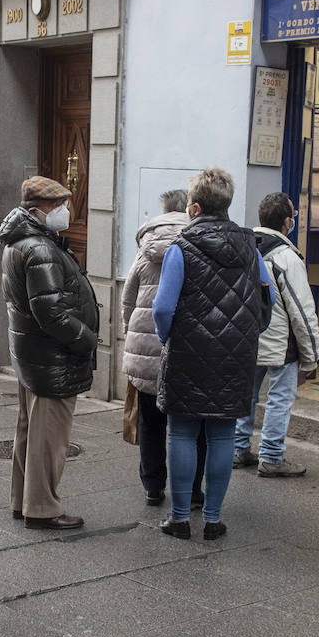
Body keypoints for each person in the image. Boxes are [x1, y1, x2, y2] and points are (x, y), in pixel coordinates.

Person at [153, 167, 273, 541]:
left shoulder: (182, 247)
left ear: (196, 207)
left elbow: (161, 308)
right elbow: (267, 297)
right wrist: (248, 331)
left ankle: (178, 518)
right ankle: (214, 519)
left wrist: (166, 337)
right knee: (222, 435)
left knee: (183, 433)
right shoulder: (251, 246)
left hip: (189, 350)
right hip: (236, 354)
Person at [0, 175, 98, 530]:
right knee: (48, 436)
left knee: (29, 429)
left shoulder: (22, 242)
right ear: (39, 211)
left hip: (33, 354)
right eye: (60, 207)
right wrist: (86, 339)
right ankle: (42, 507)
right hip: (52, 356)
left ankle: (23, 499)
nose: (67, 212)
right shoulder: (39, 248)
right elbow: (51, 312)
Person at [121, 189, 207, 508]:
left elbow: (128, 298)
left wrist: (131, 332)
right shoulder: (197, 244)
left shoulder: (146, 248)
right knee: (191, 426)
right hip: (187, 348)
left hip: (147, 347)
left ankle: (153, 486)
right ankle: (193, 490)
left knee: (150, 421)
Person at [233, 192, 319, 477]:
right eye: (292, 217)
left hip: (246, 339)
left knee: (246, 396)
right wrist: (311, 359)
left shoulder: (242, 249)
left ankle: (238, 448)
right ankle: (271, 456)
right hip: (280, 346)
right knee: (279, 399)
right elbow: (302, 312)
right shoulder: (287, 258)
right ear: (286, 222)